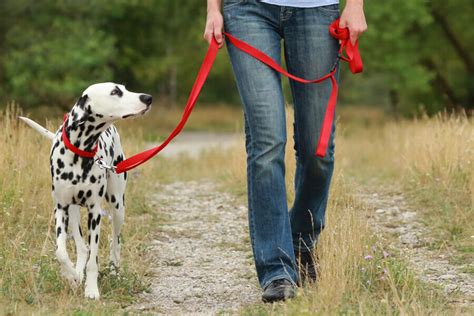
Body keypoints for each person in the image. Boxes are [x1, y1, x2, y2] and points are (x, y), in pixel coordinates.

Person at [204, 0, 366, 303]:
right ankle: (276, 269)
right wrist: (213, 9)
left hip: (318, 11)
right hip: (247, 10)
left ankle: (301, 240)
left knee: (318, 150)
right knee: (266, 143)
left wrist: (355, 5)